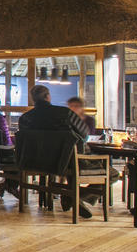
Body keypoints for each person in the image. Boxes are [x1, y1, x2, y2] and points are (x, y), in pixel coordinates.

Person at [18, 85, 95, 217]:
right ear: (48, 97)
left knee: (70, 158)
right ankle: (73, 196)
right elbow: (84, 133)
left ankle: (72, 196)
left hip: (34, 161)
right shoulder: (65, 113)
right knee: (112, 173)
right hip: (66, 161)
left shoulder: (25, 118)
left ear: (32, 99)